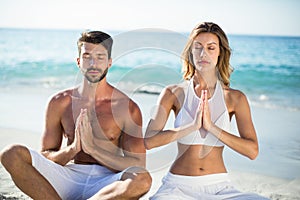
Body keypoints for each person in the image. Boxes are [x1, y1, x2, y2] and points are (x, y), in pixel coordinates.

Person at [0, 31, 152, 200]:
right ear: (79, 61)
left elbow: (137, 165)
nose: (93, 63)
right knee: (10, 154)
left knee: (142, 180)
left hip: (107, 182)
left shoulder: (127, 108)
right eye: (87, 56)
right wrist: (73, 149)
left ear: (109, 62)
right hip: (68, 176)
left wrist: (94, 149)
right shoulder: (59, 102)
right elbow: (46, 156)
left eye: (100, 57)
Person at [144, 22, 269, 199]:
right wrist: (191, 127)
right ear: (191, 52)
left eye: (211, 48)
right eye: (198, 47)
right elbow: (149, 141)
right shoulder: (173, 93)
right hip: (177, 186)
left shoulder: (234, 98)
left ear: (220, 53)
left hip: (219, 187)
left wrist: (211, 127)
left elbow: (252, 151)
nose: (204, 54)